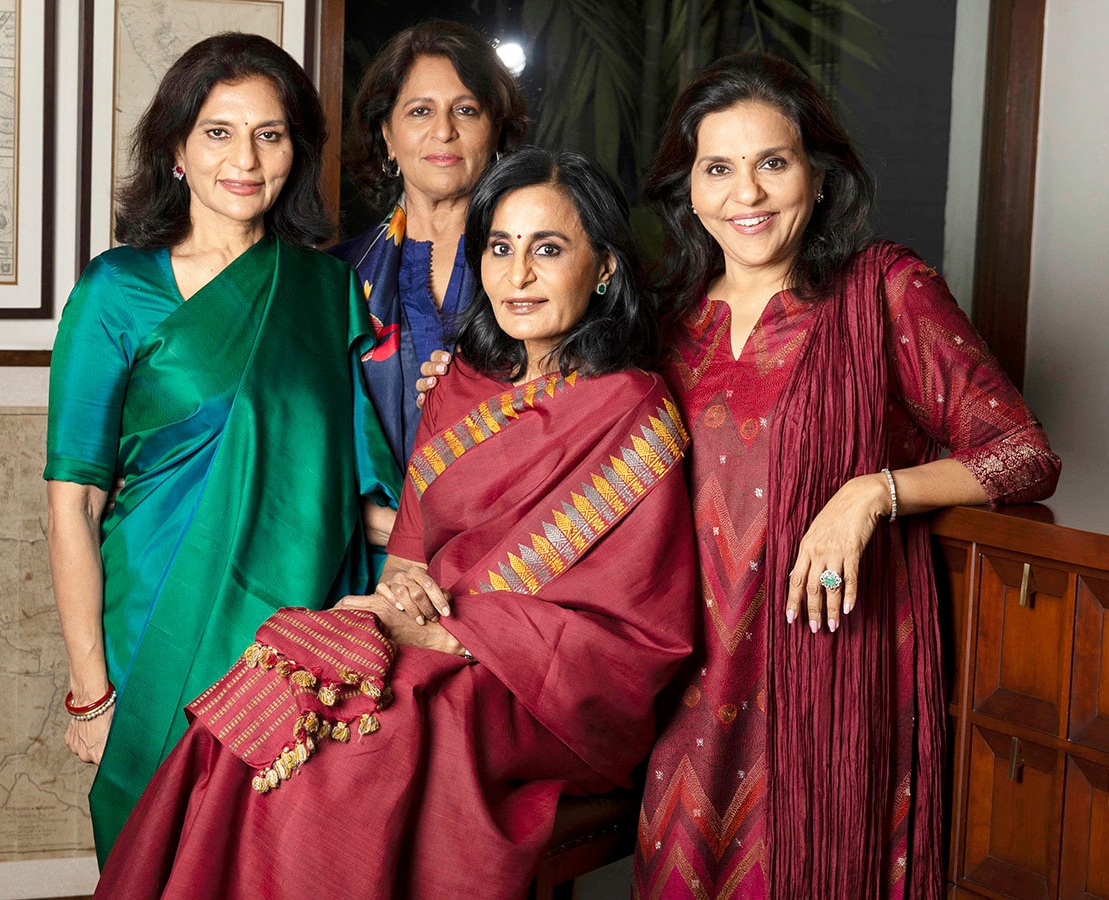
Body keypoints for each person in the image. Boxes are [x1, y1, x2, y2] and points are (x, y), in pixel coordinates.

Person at [92, 148, 696, 900]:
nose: (519, 275)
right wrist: (392, 610)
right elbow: (410, 556)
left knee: (365, 739)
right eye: (500, 249)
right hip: (429, 644)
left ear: (604, 267)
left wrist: (451, 634)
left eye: (549, 248)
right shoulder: (462, 386)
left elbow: (639, 628)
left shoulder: (629, 407)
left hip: (546, 689)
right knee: (270, 685)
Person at [629, 54, 1061, 899]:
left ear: (819, 177)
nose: (746, 195)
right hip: (686, 682)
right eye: (718, 169)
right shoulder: (664, 321)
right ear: (690, 188)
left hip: (825, 671)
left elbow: (1022, 452)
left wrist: (872, 493)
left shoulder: (883, 293)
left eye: (773, 163)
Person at [43, 33, 397, 867]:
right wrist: (92, 693)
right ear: (175, 147)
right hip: (153, 620)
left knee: (279, 866)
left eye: (270, 134)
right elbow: (74, 501)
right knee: (152, 860)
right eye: (218, 131)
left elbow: (365, 492)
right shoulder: (114, 291)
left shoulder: (325, 290)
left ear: (296, 151)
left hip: (293, 646)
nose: (245, 158)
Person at [331, 19, 528, 473]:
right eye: (420, 111)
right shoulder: (336, 276)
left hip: (514, 535)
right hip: (366, 537)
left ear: (495, 130)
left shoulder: (540, 269)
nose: (444, 131)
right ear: (387, 136)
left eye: (466, 110)